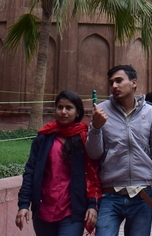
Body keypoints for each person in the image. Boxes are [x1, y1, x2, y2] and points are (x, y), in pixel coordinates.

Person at [87, 65, 152, 235]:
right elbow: (94, 153)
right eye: (111, 83)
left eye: (119, 80)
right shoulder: (101, 111)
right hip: (110, 195)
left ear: (133, 83)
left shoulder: (151, 113)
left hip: (141, 195)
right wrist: (96, 127)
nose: (114, 86)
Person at [16, 91, 100, 236]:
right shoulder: (43, 138)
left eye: (68, 108)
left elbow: (92, 174)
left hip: (72, 211)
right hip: (44, 210)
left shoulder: (84, 139)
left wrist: (92, 205)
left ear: (77, 111)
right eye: (60, 107)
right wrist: (24, 204)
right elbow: (30, 172)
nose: (63, 112)